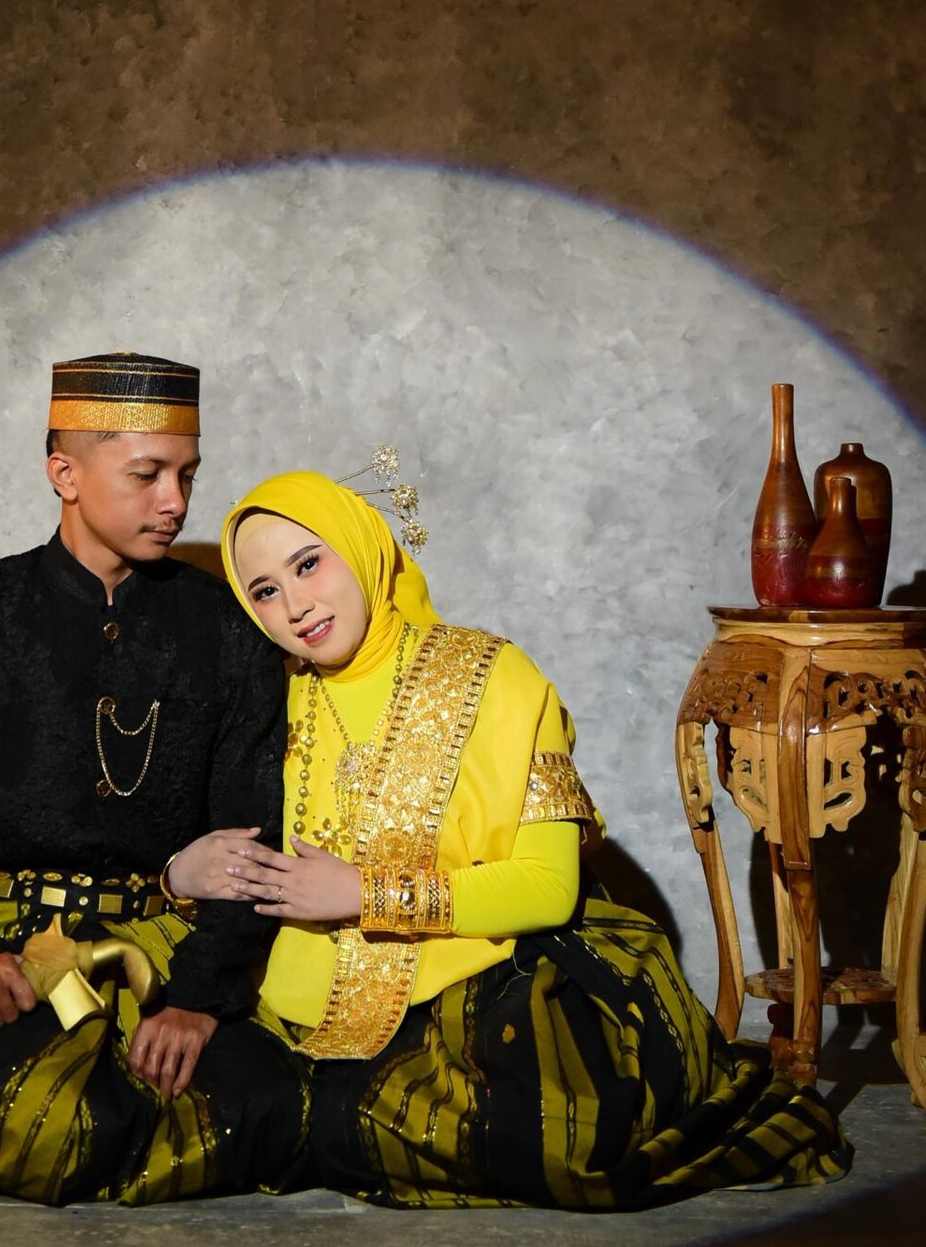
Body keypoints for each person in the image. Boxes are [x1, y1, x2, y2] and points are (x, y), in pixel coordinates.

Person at [165, 468, 850, 1208]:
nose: (295, 605)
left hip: (490, 978)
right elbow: (223, 852)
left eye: (308, 564)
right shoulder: (269, 698)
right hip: (297, 997)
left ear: (362, 546)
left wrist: (365, 894)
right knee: (205, 1117)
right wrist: (179, 871)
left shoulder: (493, 675)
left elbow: (549, 887)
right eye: (265, 590)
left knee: (556, 1140)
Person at [0, 354, 306, 1203]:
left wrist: (199, 997)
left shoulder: (228, 627)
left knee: (269, 1107)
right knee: (47, 1124)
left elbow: (252, 836)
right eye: (147, 474)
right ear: (64, 473)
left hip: (165, 950)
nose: (176, 501)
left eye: (188, 474)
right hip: (9, 959)